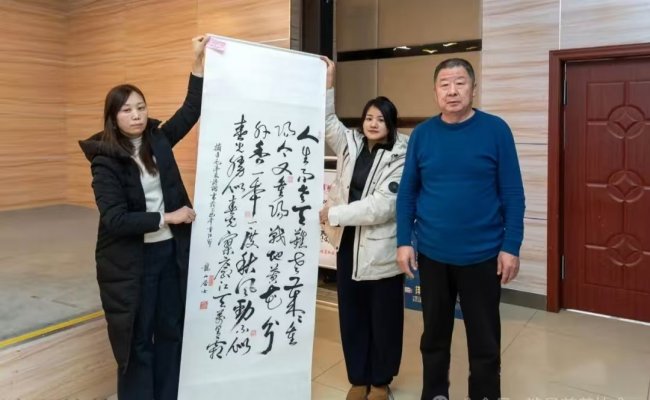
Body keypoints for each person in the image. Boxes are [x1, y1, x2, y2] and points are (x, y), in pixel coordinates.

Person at [78, 35, 208, 400]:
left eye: (141, 107)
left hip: (169, 255)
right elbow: (116, 219)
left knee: (170, 331)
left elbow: (191, 110)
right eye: (127, 110)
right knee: (137, 340)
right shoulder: (104, 160)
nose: (136, 115)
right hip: (133, 263)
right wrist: (168, 217)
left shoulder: (158, 140)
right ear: (113, 117)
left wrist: (197, 63)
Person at [395, 58, 525, 400]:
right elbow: (408, 192)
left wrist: (511, 245)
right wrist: (404, 240)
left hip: (483, 256)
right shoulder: (422, 135)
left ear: (473, 89)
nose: (452, 91)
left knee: (484, 337)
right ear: (435, 91)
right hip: (432, 254)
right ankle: (435, 392)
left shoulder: (496, 130)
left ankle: (484, 394)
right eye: (444, 84)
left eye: (460, 83)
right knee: (434, 335)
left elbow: (512, 192)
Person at [319, 57, 409, 400]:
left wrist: (334, 213)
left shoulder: (401, 154)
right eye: (369, 117)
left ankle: (381, 380)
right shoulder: (351, 143)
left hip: (381, 249)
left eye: (380, 119)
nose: (373, 123)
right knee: (352, 315)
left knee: (384, 319)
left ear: (391, 124)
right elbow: (327, 121)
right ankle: (358, 377)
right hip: (347, 245)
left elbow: (382, 207)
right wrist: (329, 82)